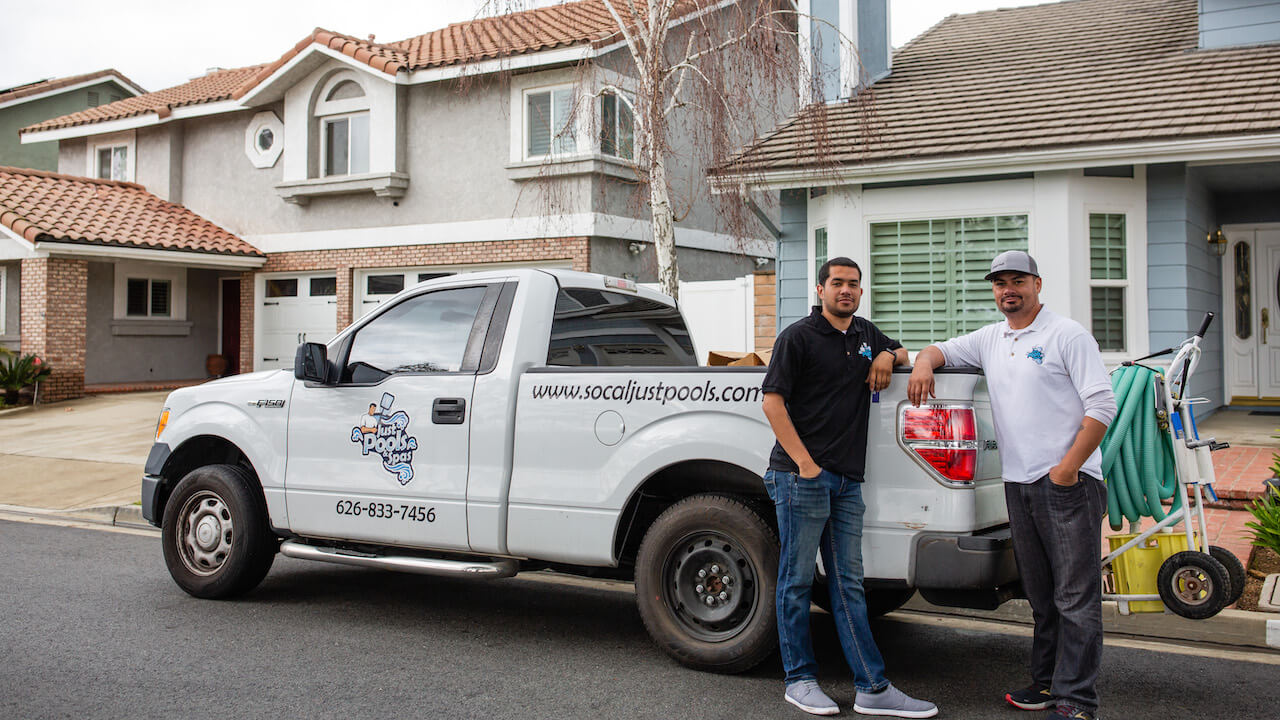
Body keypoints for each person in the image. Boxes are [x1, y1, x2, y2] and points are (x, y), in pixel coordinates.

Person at [907, 250, 1116, 720]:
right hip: (1018, 485)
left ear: (1037, 284)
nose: (1008, 290)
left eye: (1017, 280)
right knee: (1042, 596)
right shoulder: (991, 338)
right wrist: (923, 364)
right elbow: (940, 350)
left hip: (1068, 484)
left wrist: (1066, 470)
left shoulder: (1067, 335)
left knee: (1075, 597)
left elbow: (1102, 406)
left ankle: (1077, 700)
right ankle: (1046, 684)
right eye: (1000, 283)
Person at [761, 257, 937, 719]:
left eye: (853, 285)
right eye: (837, 283)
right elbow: (772, 402)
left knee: (848, 587)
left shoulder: (864, 335)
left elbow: (900, 352)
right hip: (801, 478)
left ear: (861, 292)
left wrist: (884, 355)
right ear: (820, 289)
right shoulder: (797, 337)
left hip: (847, 483)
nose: (846, 291)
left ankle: (872, 689)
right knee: (796, 582)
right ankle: (799, 681)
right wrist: (806, 465)